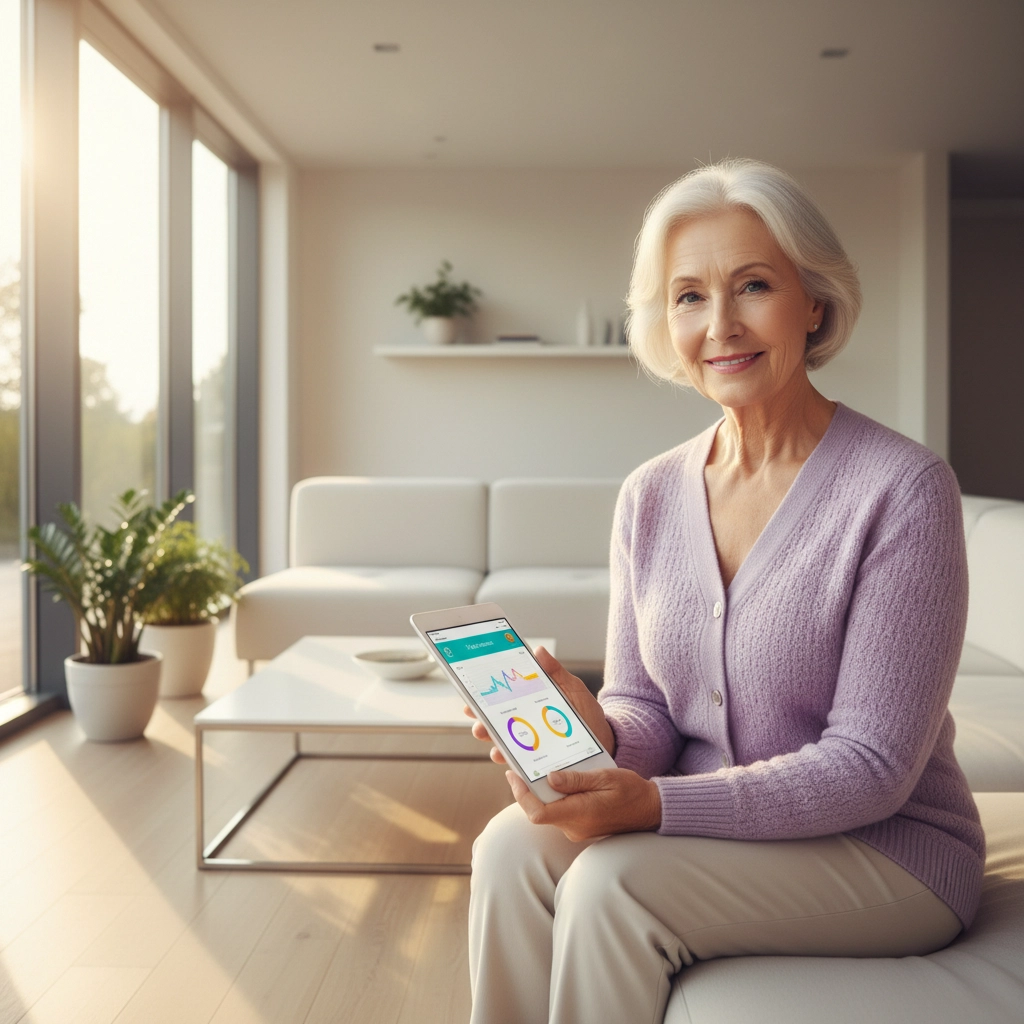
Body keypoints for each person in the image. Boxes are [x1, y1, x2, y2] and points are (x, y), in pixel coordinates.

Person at [464, 159, 984, 1024]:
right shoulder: (650, 495)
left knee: (612, 886)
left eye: (753, 286)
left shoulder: (904, 489)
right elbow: (647, 712)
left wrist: (656, 806)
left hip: (887, 848)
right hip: (715, 828)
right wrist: (595, 736)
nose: (721, 325)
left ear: (812, 302)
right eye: (689, 297)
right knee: (508, 851)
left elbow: (874, 766)